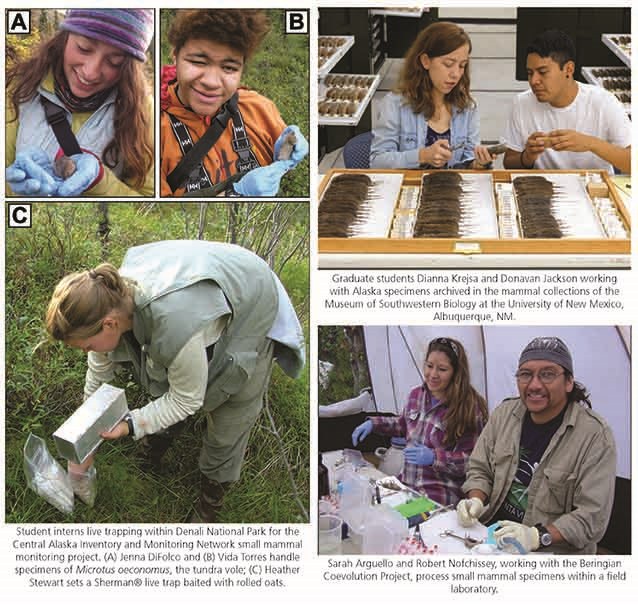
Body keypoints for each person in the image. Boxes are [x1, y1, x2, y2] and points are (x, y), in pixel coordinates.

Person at [45, 239, 305, 522]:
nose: (87, 353)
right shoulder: (106, 302)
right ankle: (156, 445)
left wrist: (132, 424)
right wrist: (82, 438)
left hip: (252, 295)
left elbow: (186, 398)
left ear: (110, 324)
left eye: (87, 347)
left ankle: (210, 503)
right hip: (204, 283)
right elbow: (98, 376)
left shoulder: (174, 321)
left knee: (232, 407)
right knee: (166, 372)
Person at [457, 337, 617, 554]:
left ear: (569, 382)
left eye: (548, 374)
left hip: (549, 551)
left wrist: (535, 536)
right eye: (526, 374)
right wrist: (476, 499)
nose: (534, 385)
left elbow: (591, 518)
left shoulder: (595, 437)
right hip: (492, 535)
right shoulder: (504, 414)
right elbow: (480, 468)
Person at [6, 9, 154, 197]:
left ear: (129, 65)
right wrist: (14, 189)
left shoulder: (145, 112)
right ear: (65, 37)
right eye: (83, 48)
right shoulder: (19, 87)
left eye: (114, 61)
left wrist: (99, 181)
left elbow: (153, 210)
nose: (91, 72)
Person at [160, 9, 309, 197]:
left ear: (241, 69)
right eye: (198, 62)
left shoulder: (258, 108)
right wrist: (236, 193)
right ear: (175, 56)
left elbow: (279, 168)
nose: (212, 82)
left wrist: (287, 153)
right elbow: (158, 211)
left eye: (229, 68)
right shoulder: (145, 132)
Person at [351, 337, 488, 506]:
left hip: (438, 495)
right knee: (365, 498)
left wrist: (434, 458)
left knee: (402, 526)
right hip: (407, 484)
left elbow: (472, 463)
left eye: (442, 369)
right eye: (429, 366)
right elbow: (402, 424)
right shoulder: (416, 395)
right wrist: (374, 423)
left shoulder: (469, 408)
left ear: (456, 372)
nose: (433, 375)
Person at [370, 22, 495, 170]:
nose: (455, 74)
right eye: (448, 64)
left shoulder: (467, 107)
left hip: (451, 190)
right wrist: (422, 155)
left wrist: (478, 164)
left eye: (462, 66)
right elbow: (377, 161)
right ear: (425, 61)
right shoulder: (394, 104)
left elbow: (468, 161)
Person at [503, 29, 631, 174]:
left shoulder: (604, 102)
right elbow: (509, 163)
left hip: (594, 191)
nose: (533, 81)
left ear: (569, 69)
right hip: (540, 192)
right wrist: (527, 157)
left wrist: (591, 144)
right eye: (530, 73)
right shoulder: (521, 103)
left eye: (543, 72)